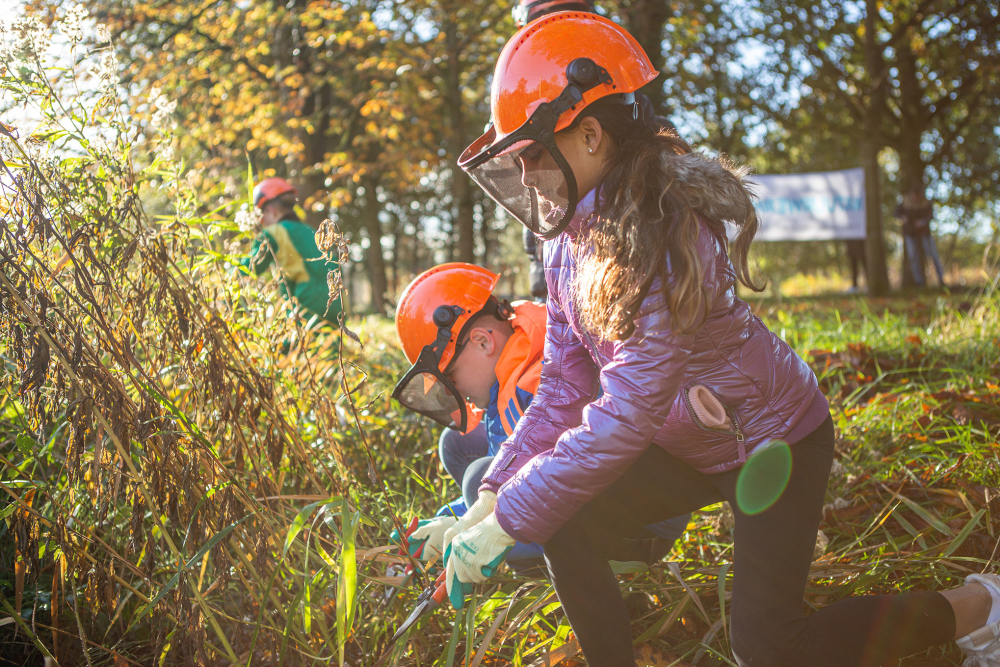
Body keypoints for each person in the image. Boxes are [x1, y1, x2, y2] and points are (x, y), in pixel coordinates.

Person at [443, 14, 1000, 667]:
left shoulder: (666, 231)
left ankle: (977, 608)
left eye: (533, 154)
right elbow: (565, 388)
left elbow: (628, 411)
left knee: (769, 646)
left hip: (773, 440)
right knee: (565, 520)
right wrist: (491, 495)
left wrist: (512, 516)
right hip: (689, 444)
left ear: (589, 134)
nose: (527, 175)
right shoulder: (564, 241)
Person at [390, 263, 690, 573]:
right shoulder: (517, 357)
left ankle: (563, 577)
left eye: (450, 376)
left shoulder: (529, 386)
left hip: (635, 529)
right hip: (594, 500)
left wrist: (468, 526)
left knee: (479, 476)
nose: (455, 391)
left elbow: (557, 481)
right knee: (457, 443)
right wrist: (455, 519)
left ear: (483, 342)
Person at [511, 0, 680, 303]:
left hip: (625, 249)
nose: (527, 176)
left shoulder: (621, 90)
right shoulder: (519, 91)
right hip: (556, 245)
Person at [245, 177, 343, 326]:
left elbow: (249, 268)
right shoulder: (311, 231)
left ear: (270, 210)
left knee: (287, 348)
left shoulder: (272, 233)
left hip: (306, 311)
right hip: (336, 309)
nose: (262, 222)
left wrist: (227, 269)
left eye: (261, 216)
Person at [896, 186, 947, 288]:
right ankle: (919, 283)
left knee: (933, 255)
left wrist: (922, 222)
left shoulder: (926, 203)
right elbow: (896, 213)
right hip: (910, 234)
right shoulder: (904, 202)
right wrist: (902, 218)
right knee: (913, 258)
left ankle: (941, 280)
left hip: (925, 234)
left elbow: (931, 216)